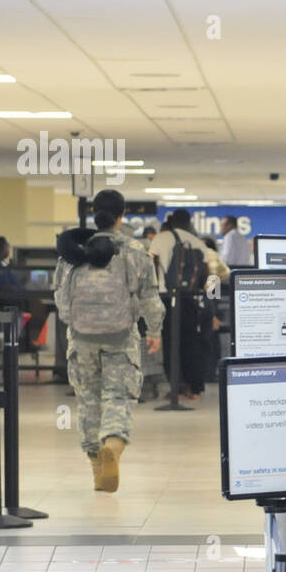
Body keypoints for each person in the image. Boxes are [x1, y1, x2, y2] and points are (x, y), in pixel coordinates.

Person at [54, 189, 164, 493]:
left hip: (81, 337)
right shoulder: (134, 250)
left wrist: (73, 325)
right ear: (122, 214)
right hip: (121, 337)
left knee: (88, 400)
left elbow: (60, 296)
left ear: (93, 213)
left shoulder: (73, 250)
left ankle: (96, 469)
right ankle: (113, 446)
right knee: (118, 396)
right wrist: (154, 331)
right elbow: (150, 298)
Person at [149, 210, 210, 399]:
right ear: (189, 223)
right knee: (191, 343)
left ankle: (177, 387)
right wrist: (211, 307)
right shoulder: (199, 243)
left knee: (170, 344)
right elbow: (210, 279)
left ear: (171, 221)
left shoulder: (161, 238)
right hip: (190, 299)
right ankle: (195, 387)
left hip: (166, 298)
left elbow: (150, 265)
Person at [0, 236, 50, 344]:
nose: (9, 249)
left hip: (15, 297)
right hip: (8, 300)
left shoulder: (2, 263)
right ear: (2, 247)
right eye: (7, 246)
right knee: (40, 307)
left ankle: (27, 339)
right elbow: (5, 286)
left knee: (41, 306)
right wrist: (20, 290)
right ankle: (26, 340)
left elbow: (11, 283)